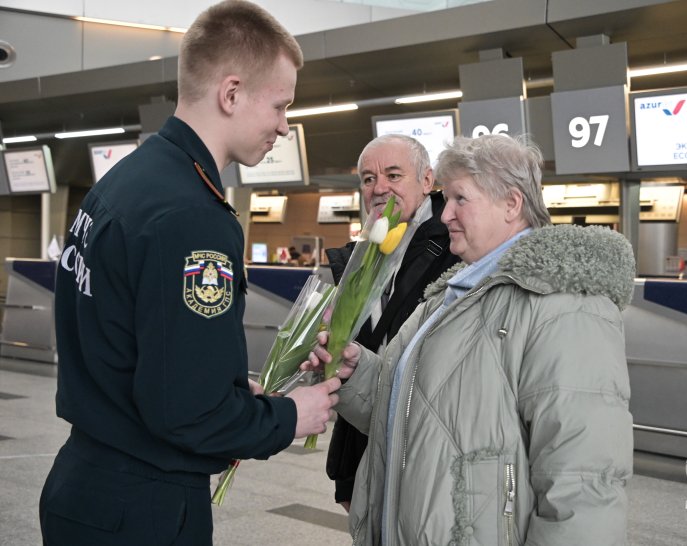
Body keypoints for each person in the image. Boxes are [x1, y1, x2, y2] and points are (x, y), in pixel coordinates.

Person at [39, 2, 340, 545]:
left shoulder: (127, 182)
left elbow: (131, 342)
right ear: (231, 93)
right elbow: (188, 414)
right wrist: (288, 416)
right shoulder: (192, 216)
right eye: (280, 105)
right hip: (142, 508)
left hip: (87, 485)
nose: (284, 126)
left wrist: (221, 383)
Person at [307, 134, 636, 544]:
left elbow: (584, 478)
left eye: (461, 199)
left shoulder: (566, 305)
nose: (445, 216)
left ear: (512, 204)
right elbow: (418, 408)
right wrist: (357, 371)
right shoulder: (450, 294)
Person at [324, 134, 460, 511]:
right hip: (362, 445)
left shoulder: (456, 248)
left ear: (428, 181)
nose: (379, 188)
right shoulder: (361, 254)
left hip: (421, 449)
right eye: (368, 178)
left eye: (394, 175)